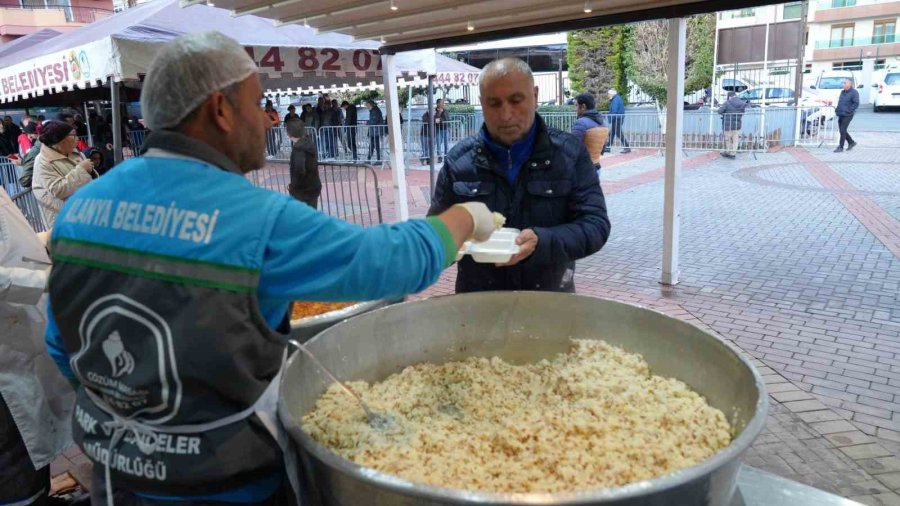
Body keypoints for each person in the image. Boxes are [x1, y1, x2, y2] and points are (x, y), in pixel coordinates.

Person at [43, 31, 500, 505]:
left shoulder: (81, 210)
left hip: (118, 480)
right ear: (221, 110)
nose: (267, 119)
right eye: (258, 103)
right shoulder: (254, 218)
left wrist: (135, 414)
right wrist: (464, 217)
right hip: (225, 487)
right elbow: (392, 261)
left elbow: (60, 342)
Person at [428, 58, 611, 293]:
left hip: (549, 304)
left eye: (516, 100)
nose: (505, 115)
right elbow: (437, 236)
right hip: (478, 306)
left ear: (534, 96)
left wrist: (542, 241)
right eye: (494, 103)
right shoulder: (459, 161)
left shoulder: (568, 154)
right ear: (482, 103)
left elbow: (595, 226)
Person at [0, 187, 76, 506]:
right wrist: (49, 281)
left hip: (23, 332)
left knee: (34, 439)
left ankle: (39, 496)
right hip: (7, 349)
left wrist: (47, 239)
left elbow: (11, 241)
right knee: (13, 448)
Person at [31, 120, 98, 227]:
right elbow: (58, 189)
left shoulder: (76, 153)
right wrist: (81, 170)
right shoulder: (42, 161)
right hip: (63, 218)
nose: (77, 139)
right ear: (61, 139)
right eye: (73, 136)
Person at [571, 92, 609, 177]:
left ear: (583, 106)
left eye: (576, 105)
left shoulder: (580, 123)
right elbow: (603, 149)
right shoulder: (604, 123)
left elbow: (572, 148)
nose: (575, 109)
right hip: (596, 168)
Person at [285, 119, 321, 208]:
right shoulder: (309, 143)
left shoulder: (298, 149)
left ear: (289, 134)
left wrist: (293, 186)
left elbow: (299, 170)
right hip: (313, 186)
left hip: (302, 191)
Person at [717, 91, 747, 159]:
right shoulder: (742, 103)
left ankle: (728, 152)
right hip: (737, 124)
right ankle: (733, 154)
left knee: (728, 139)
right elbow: (742, 112)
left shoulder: (727, 103)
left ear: (729, 96)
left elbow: (719, 111)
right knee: (735, 140)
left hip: (728, 124)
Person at [835, 78, 859, 153]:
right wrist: (837, 110)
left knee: (842, 130)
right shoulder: (842, 92)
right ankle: (851, 142)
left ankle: (840, 147)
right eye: (843, 83)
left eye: (845, 83)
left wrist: (849, 111)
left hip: (848, 114)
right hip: (840, 113)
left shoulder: (854, 92)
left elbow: (856, 103)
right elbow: (840, 102)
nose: (843, 84)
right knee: (842, 130)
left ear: (850, 84)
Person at [606, 89, 630, 154]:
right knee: (612, 133)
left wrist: (610, 118)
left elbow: (614, 111)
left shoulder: (615, 99)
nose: (608, 96)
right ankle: (608, 146)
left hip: (617, 118)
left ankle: (627, 147)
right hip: (617, 118)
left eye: (608, 94)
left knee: (618, 133)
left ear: (612, 94)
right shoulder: (616, 98)